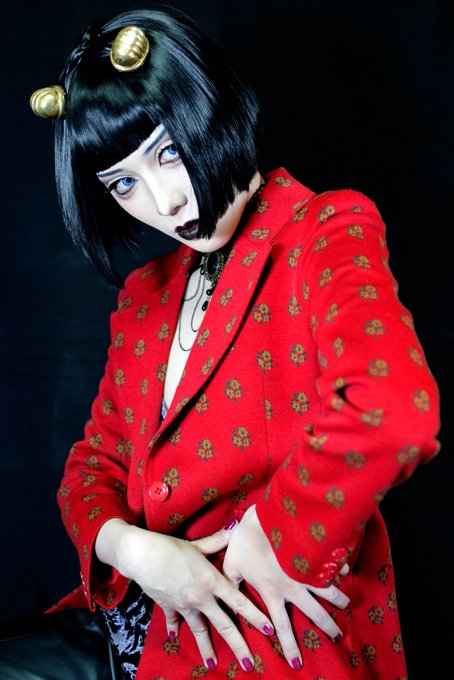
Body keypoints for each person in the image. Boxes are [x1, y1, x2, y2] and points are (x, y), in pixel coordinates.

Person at [30, 6, 440, 679]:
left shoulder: (323, 230)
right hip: (136, 626)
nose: (163, 202)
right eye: (124, 183)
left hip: (268, 644)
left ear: (212, 106)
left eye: (168, 152)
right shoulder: (144, 296)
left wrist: (275, 533)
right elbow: (90, 468)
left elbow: (391, 408)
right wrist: (134, 551)